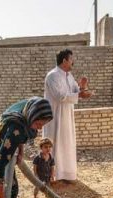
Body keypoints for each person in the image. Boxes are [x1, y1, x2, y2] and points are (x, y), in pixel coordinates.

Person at [0, 97, 53, 198]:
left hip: (6, 144)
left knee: (12, 189)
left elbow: (22, 134)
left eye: (43, 125)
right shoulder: (16, 129)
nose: (40, 128)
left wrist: (20, 151)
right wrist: (0, 195)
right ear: (32, 115)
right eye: (38, 124)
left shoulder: (28, 111)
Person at [42, 49, 93, 183]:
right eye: (71, 60)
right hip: (54, 116)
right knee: (54, 143)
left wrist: (82, 88)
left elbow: (75, 91)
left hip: (67, 116)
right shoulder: (52, 76)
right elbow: (60, 96)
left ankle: (66, 174)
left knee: (66, 144)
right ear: (64, 61)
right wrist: (79, 95)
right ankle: (51, 175)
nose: (73, 62)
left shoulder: (68, 75)